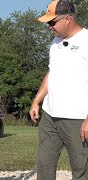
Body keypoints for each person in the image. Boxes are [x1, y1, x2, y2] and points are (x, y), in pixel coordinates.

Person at [29, 0, 88, 179]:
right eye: (48, 22)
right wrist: (36, 101)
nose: (49, 26)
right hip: (50, 117)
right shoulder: (55, 43)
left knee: (81, 170)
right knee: (44, 165)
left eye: (52, 22)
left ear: (68, 19)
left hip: (77, 119)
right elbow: (51, 72)